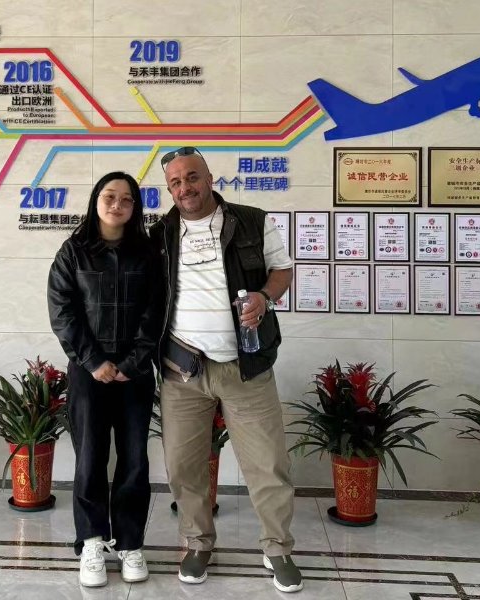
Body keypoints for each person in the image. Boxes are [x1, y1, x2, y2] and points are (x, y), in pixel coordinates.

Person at [149, 147, 303, 593]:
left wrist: (264, 298)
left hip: (245, 366)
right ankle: (198, 544)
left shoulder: (251, 221)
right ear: (169, 190)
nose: (185, 188)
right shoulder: (160, 234)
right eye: (176, 182)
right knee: (183, 466)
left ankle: (278, 549)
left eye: (192, 177)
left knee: (268, 464)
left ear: (210, 178)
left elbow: (282, 270)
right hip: (181, 370)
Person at [48, 171, 161, 588]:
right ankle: (92, 541)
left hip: (135, 374)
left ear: (135, 208)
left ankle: (130, 543)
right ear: (96, 200)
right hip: (87, 373)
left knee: (134, 459)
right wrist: (94, 361)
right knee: (90, 457)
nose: (117, 205)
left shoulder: (148, 254)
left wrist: (133, 362)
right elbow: (62, 311)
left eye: (126, 199)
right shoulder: (73, 251)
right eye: (110, 196)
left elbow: (157, 311)